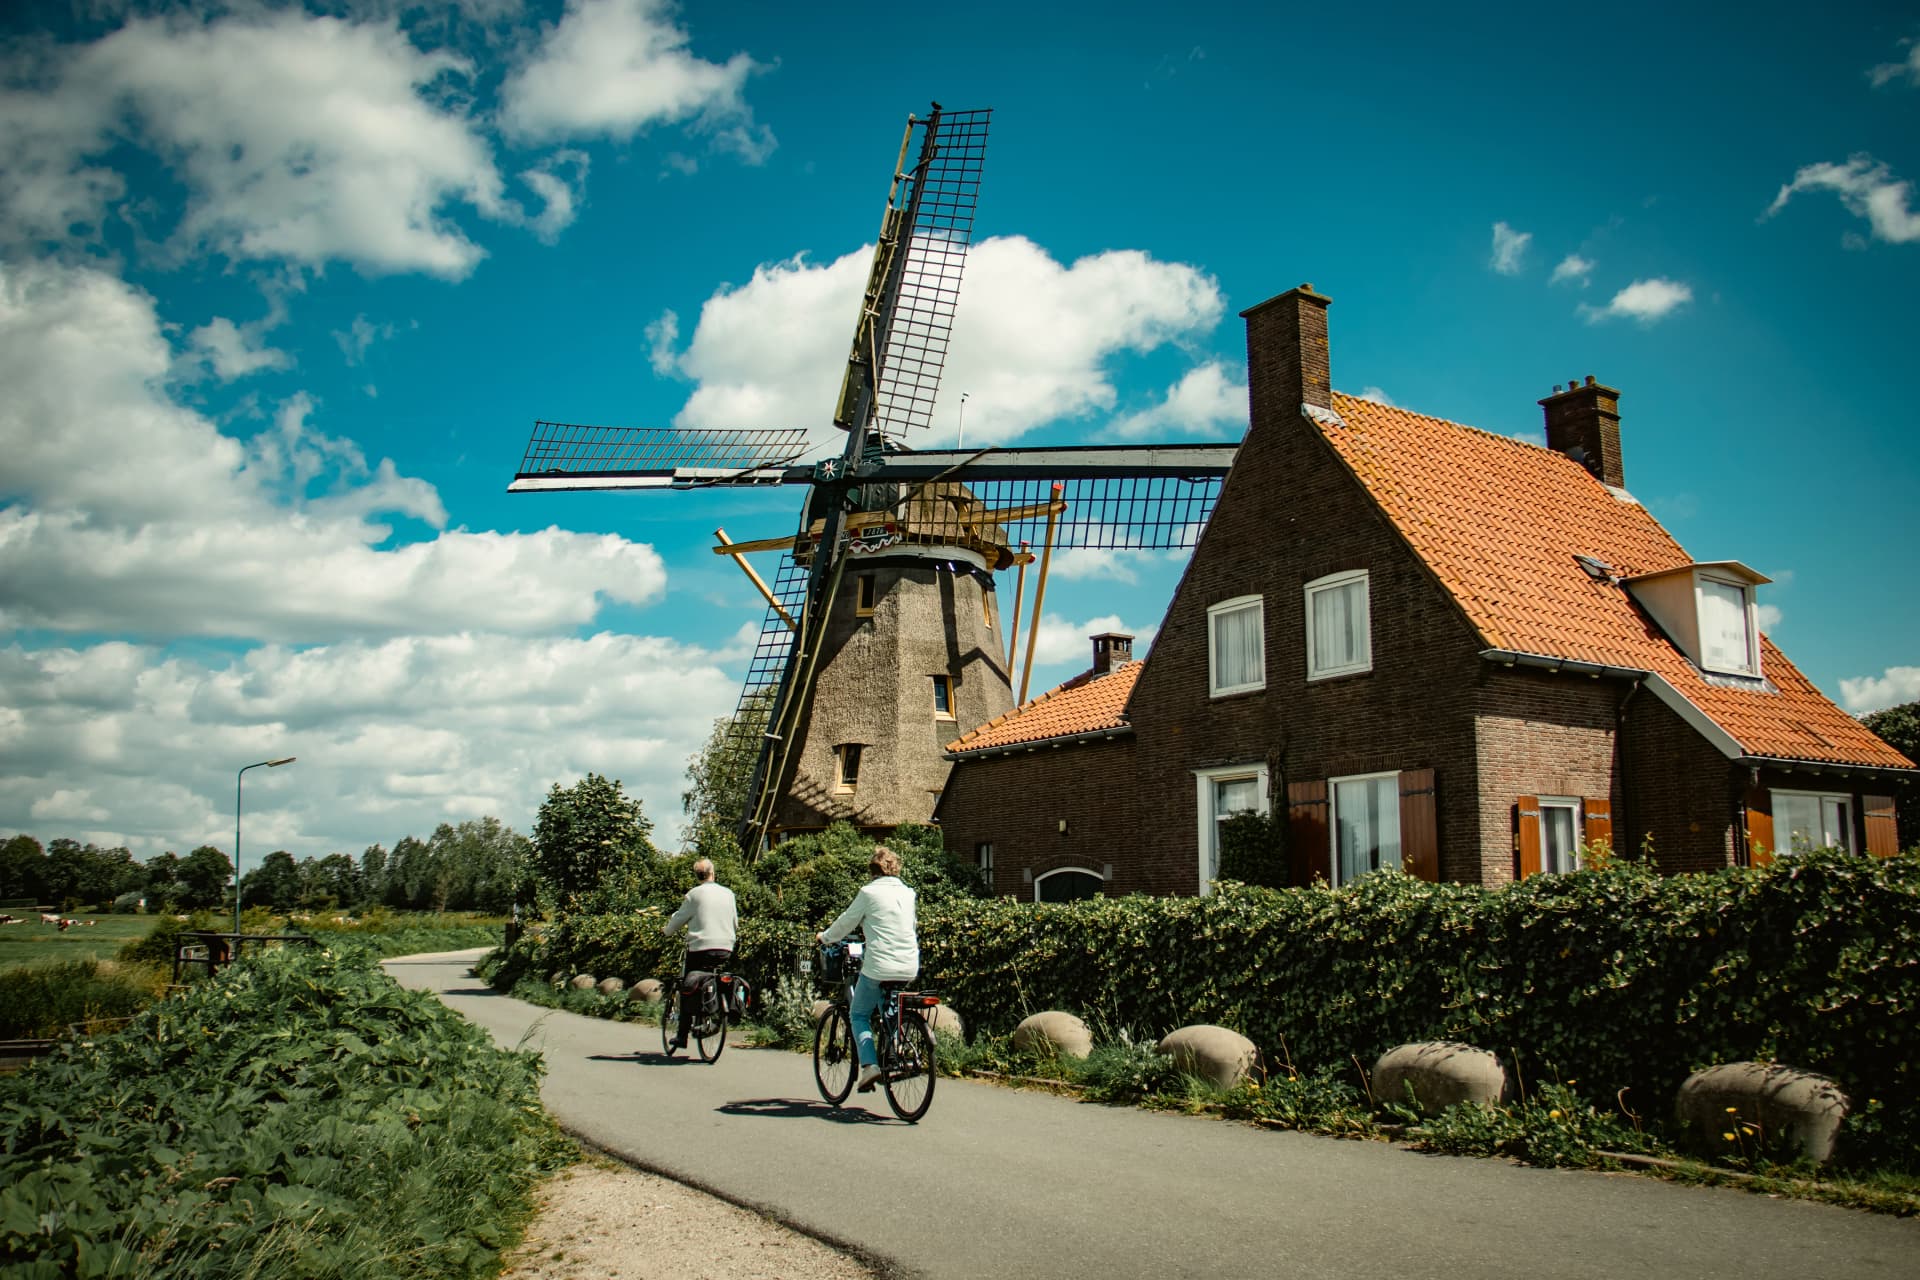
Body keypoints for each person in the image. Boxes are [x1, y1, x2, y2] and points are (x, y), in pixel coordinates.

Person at [817, 845, 918, 1092]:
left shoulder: (868, 893)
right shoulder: (908, 893)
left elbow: (846, 922)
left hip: (880, 964)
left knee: (859, 1014)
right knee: (889, 1006)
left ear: (872, 871)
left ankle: (870, 1066)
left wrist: (826, 937)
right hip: (909, 963)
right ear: (896, 869)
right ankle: (896, 1049)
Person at [662, 857, 738, 1050]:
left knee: (689, 983)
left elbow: (678, 919)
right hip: (726, 947)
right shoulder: (728, 894)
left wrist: (666, 931)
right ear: (713, 872)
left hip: (701, 947)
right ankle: (713, 1015)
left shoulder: (693, 895)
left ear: (697, 875)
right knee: (713, 976)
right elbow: (735, 923)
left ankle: (682, 1036)